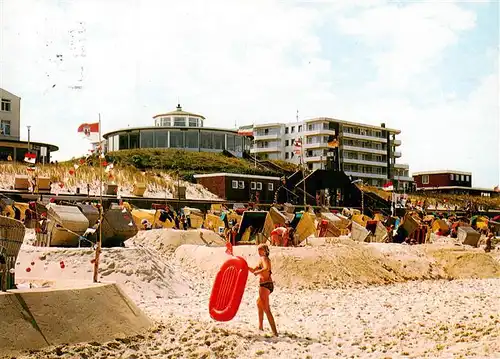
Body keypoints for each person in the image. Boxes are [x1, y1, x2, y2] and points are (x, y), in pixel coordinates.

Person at [248, 244, 278, 337]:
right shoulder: (262, 259)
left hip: (265, 285)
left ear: (265, 251)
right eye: (258, 250)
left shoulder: (264, 258)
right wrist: (245, 265)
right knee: (259, 303)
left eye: (260, 249)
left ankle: (275, 333)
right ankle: (260, 327)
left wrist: (258, 272)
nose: (258, 251)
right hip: (267, 284)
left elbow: (266, 268)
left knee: (266, 309)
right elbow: (253, 270)